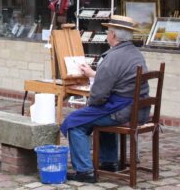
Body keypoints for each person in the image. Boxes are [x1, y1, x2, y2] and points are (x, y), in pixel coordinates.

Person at [60, 15, 150, 183]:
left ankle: (84, 171)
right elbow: (119, 79)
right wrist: (95, 75)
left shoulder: (112, 58)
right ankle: (109, 162)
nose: (107, 35)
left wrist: (91, 105)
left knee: (74, 122)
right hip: (139, 109)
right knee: (95, 116)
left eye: (108, 32)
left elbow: (99, 96)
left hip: (123, 111)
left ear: (113, 35)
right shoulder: (136, 54)